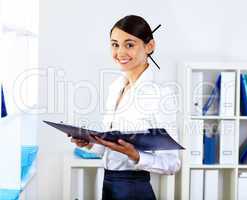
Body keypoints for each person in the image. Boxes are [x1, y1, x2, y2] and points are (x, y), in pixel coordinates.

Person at [71, 15, 181, 200]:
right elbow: (111, 148)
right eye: (115, 44)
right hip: (108, 185)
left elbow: (172, 163)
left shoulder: (160, 94)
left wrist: (135, 155)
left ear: (149, 46)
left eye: (129, 45)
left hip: (134, 189)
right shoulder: (115, 88)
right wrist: (89, 142)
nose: (120, 52)